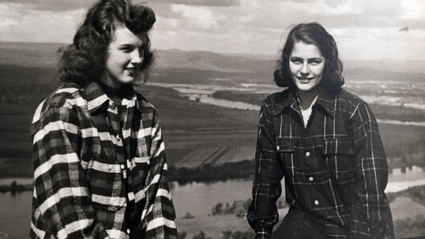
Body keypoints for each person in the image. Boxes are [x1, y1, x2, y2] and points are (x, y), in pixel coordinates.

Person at [29, 0, 177, 238]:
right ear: (97, 50)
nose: (138, 59)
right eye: (127, 49)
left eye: (141, 49)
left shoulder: (146, 114)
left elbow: (158, 203)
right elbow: (69, 216)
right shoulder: (63, 111)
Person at [247, 22, 394, 238]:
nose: (304, 70)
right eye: (297, 60)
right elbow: (265, 183)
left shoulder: (353, 111)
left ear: (327, 63)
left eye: (314, 61)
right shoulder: (273, 110)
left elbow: (370, 193)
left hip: (353, 228)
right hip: (303, 226)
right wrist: (262, 232)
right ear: (287, 61)